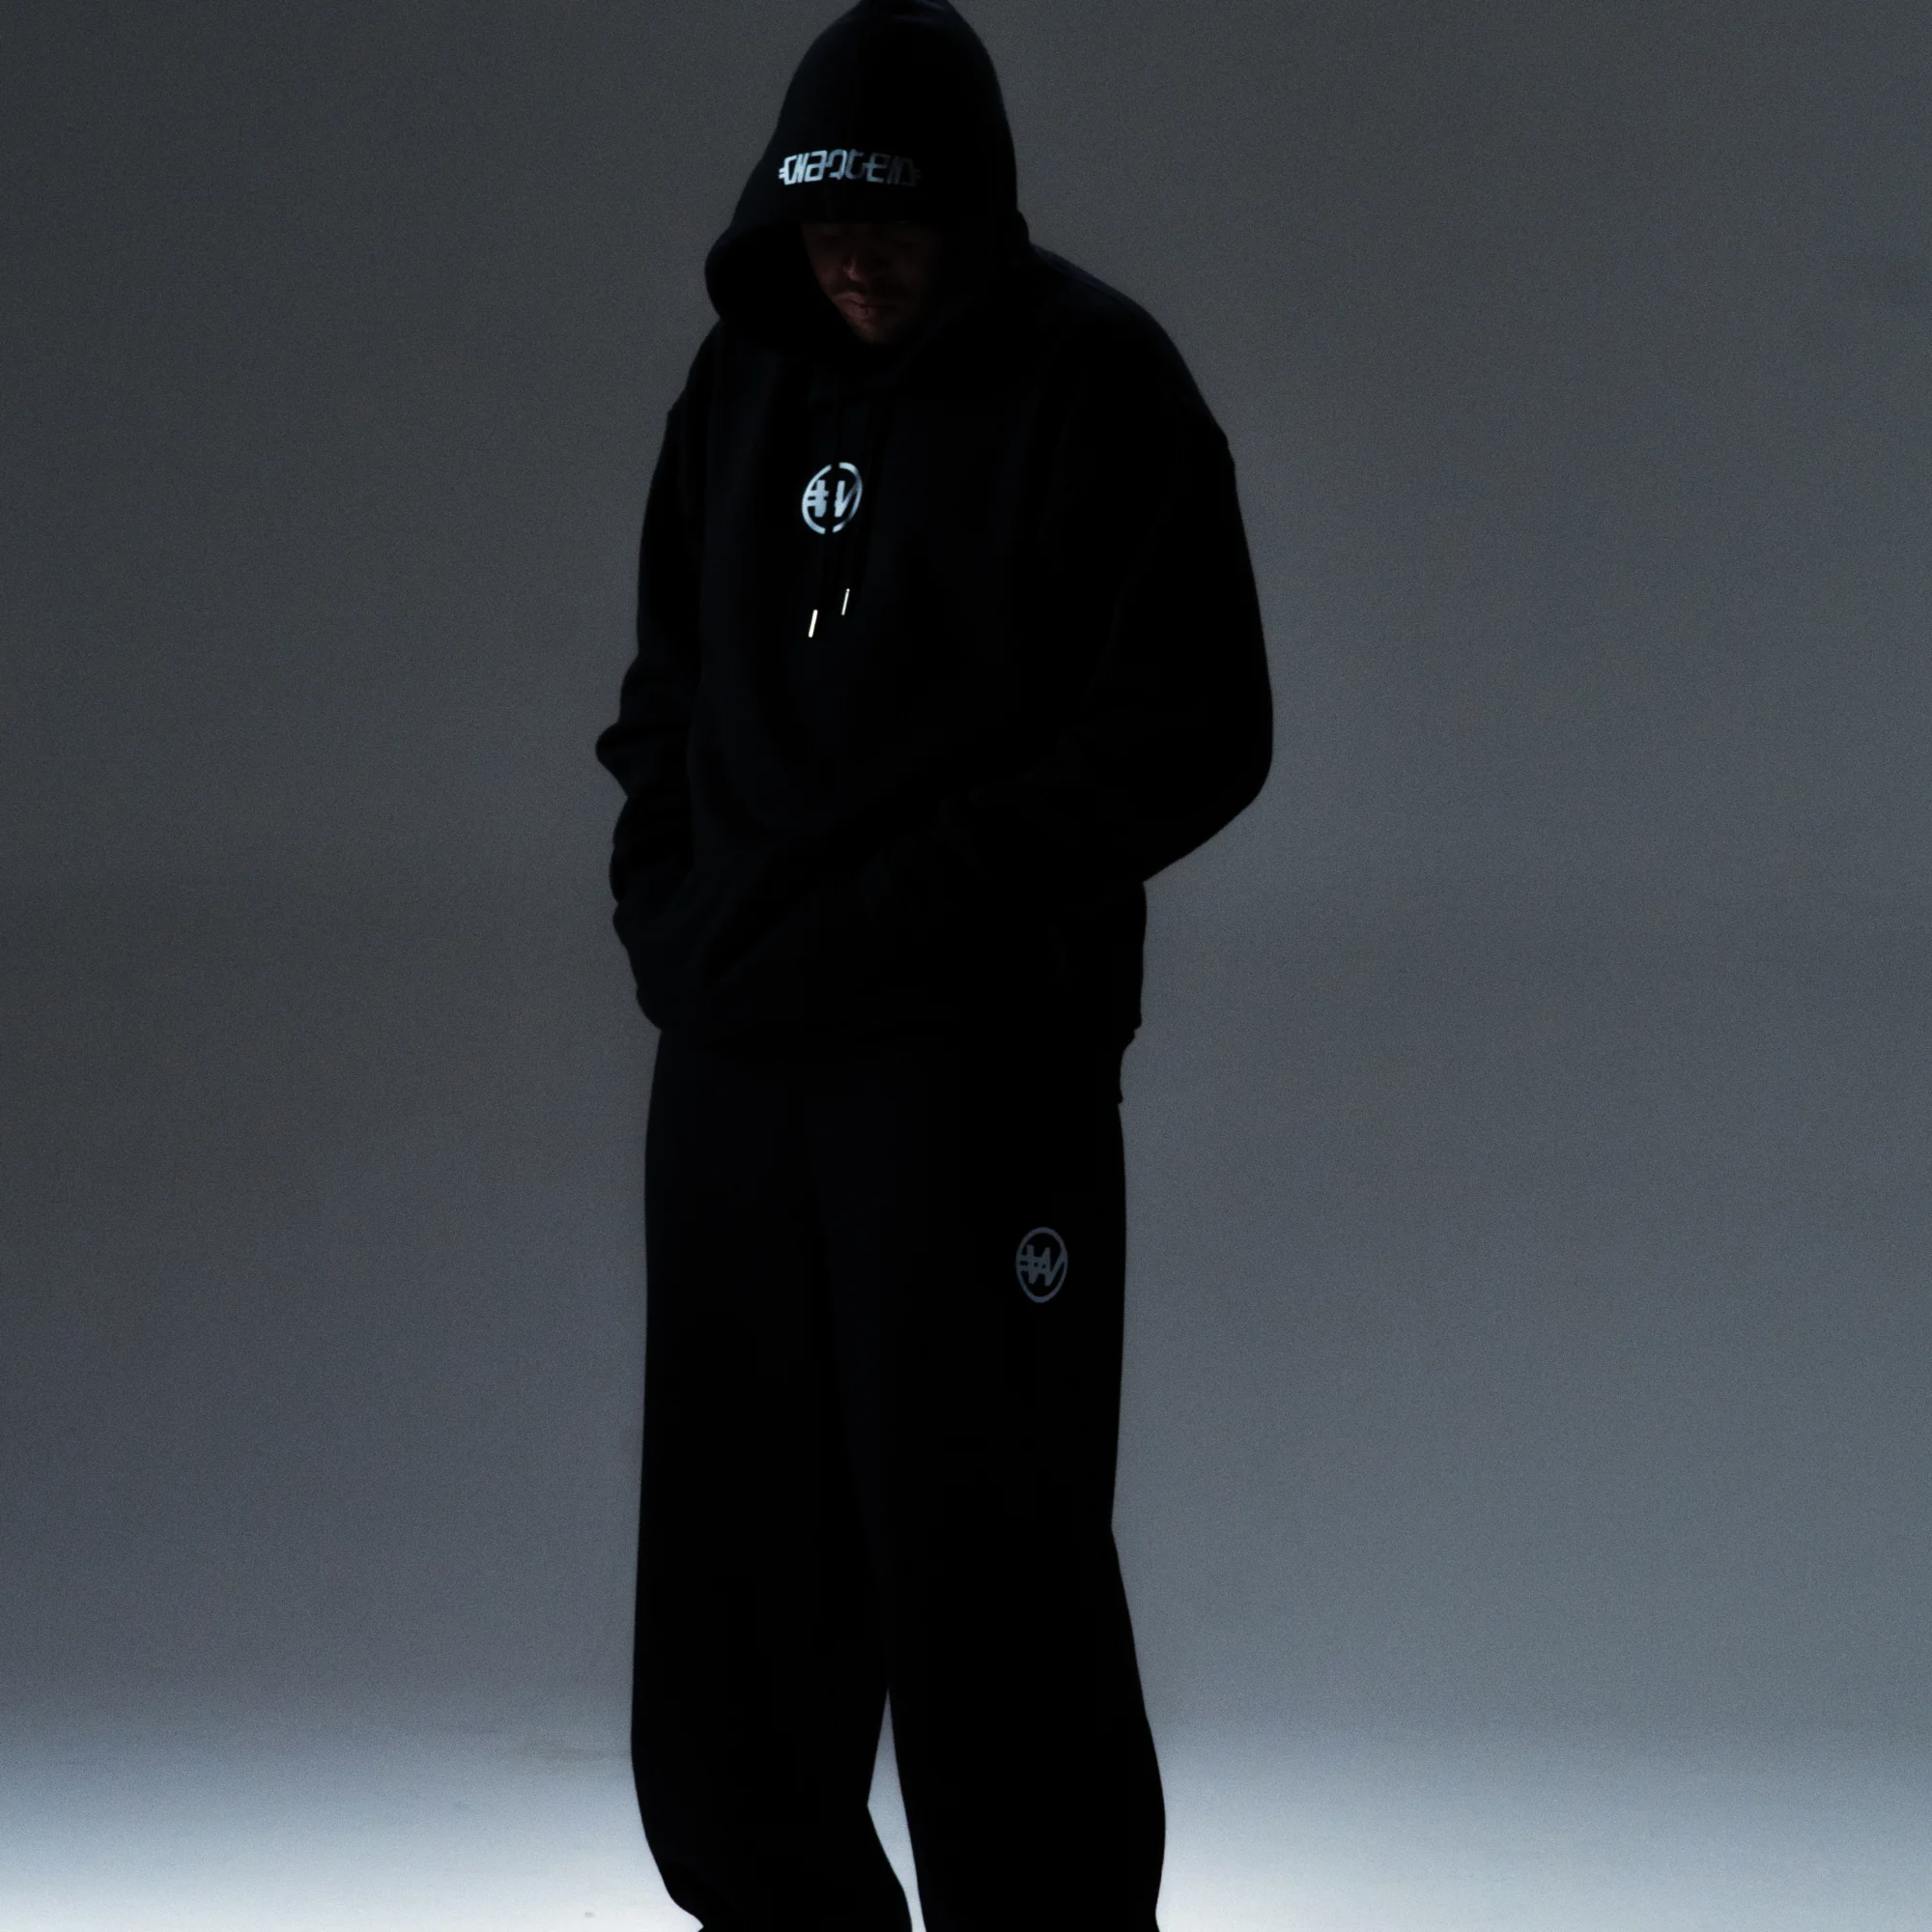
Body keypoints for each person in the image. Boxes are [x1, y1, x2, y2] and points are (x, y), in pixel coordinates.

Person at [593, 3, 1272, 1926]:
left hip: (970, 1081)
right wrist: (671, 923)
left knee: (989, 1546)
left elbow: (1193, 726)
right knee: (735, 1551)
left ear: (973, 212)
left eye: (894, 225)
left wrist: (905, 914)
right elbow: (661, 706)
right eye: (825, 227)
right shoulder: (739, 380)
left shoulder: (1099, 382)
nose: (858, 263)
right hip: (738, 1067)